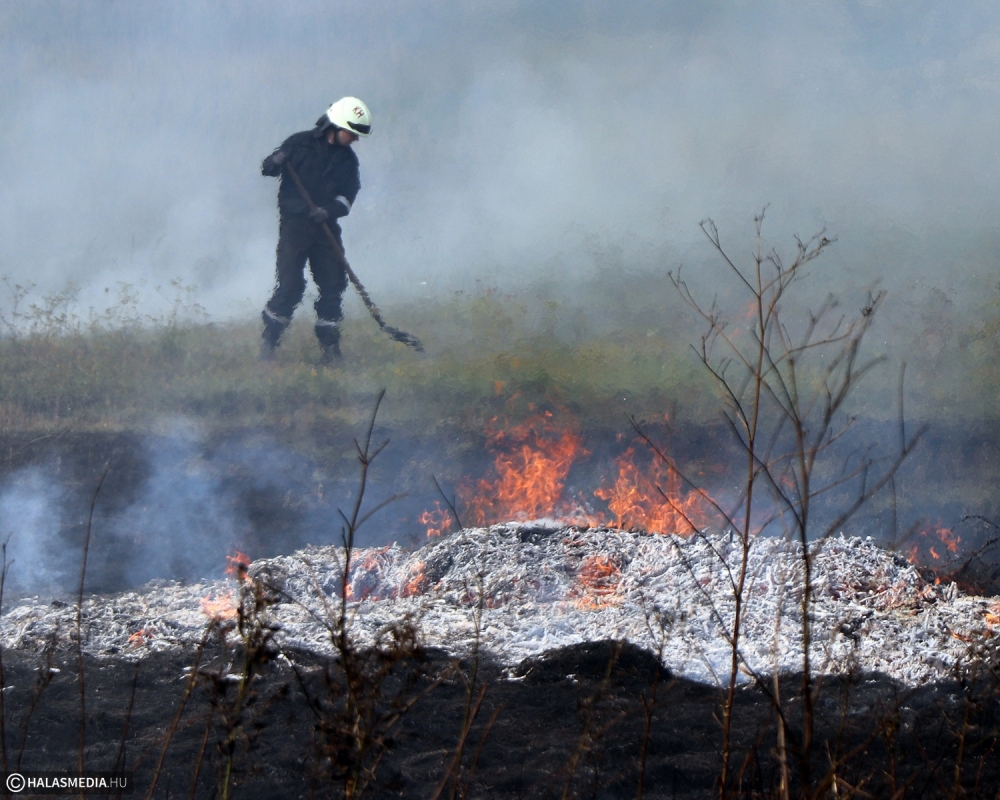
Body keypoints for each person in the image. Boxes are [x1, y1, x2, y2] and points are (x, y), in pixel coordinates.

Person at [259, 97, 372, 362]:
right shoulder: (298, 144)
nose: (355, 139)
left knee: (333, 284)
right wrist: (275, 160)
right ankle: (269, 343)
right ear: (336, 127)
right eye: (352, 133)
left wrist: (329, 210)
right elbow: (268, 169)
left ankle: (330, 349)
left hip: (325, 229)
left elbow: (347, 197)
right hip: (294, 228)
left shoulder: (348, 161)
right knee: (291, 286)